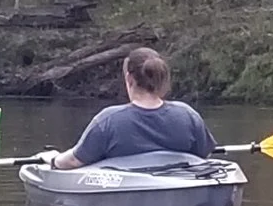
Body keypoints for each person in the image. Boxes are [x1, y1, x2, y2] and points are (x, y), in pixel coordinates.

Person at [40, 47, 217, 168]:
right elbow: (204, 156)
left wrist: (54, 160)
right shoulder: (187, 115)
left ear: (129, 79)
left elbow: (73, 161)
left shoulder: (108, 120)